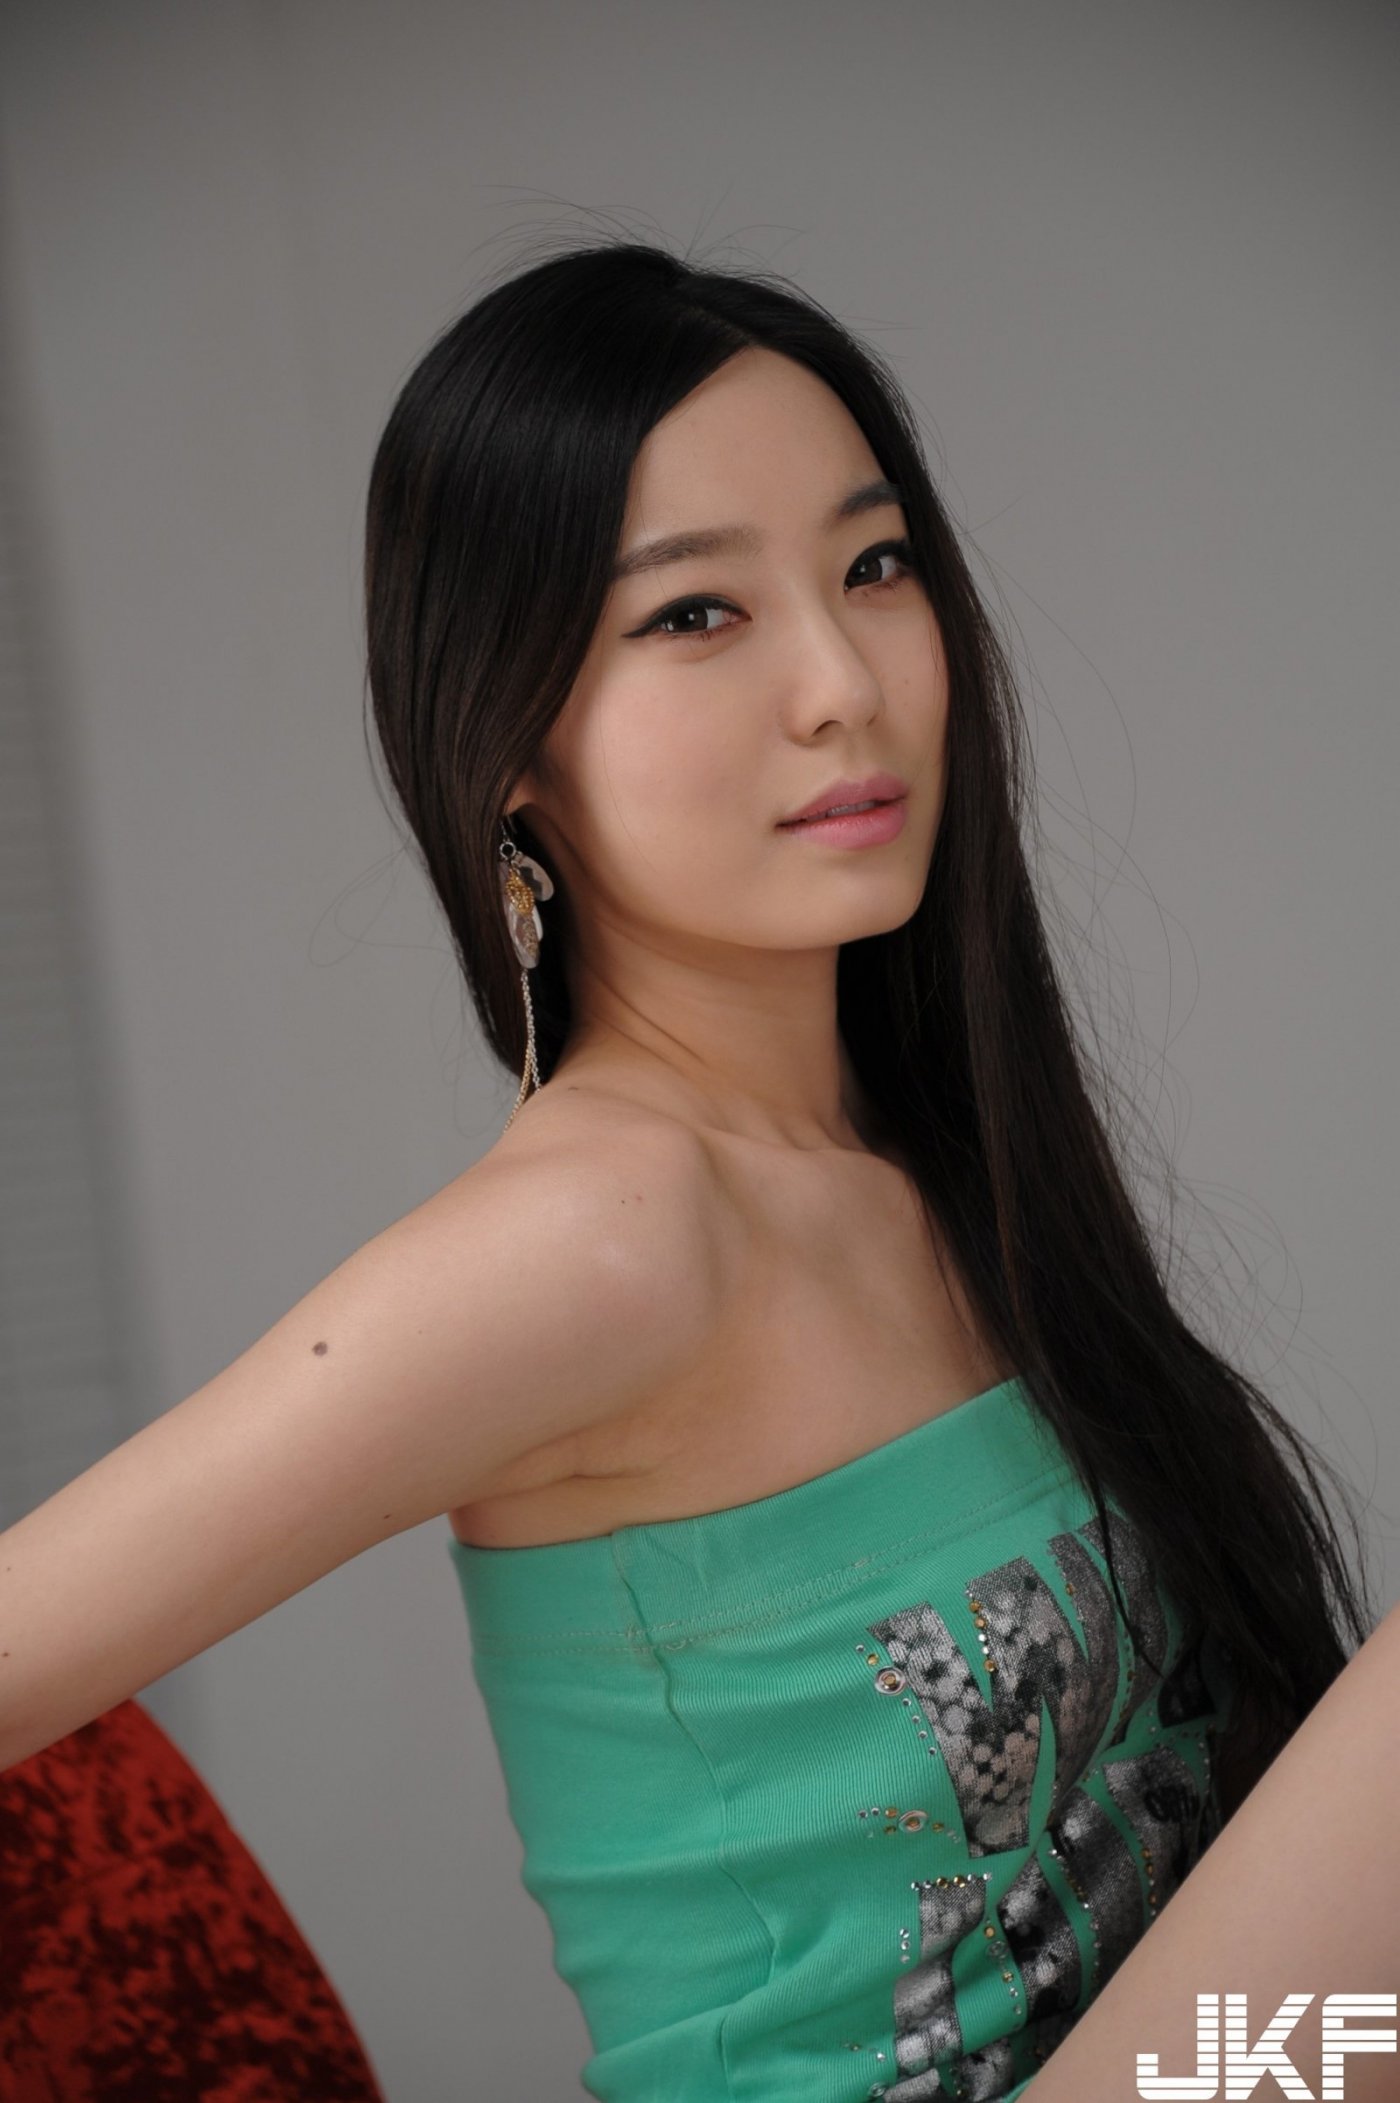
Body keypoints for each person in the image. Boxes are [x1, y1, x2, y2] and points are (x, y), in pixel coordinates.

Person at [0, 234, 1388, 2102]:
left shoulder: (931, 1163)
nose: (842, 682)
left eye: (873, 567)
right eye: (697, 614)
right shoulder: (599, 1238)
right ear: (507, 736)